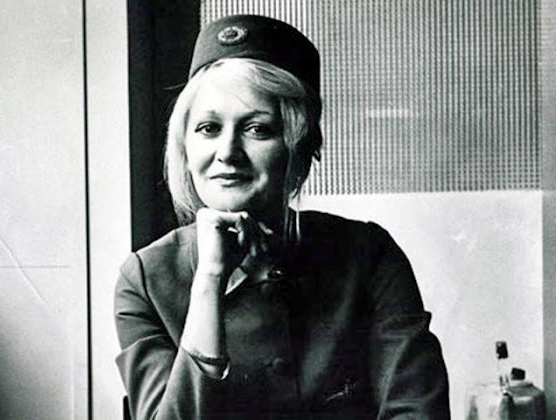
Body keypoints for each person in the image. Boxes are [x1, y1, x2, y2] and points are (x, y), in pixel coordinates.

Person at [114, 14, 450, 420]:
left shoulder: (369, 257)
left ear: (301, 149)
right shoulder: (145, 280)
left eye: (257, 129)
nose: (227, 152)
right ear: (184, 148)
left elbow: (417, 410)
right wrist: (209, 282)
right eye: (208, 128)